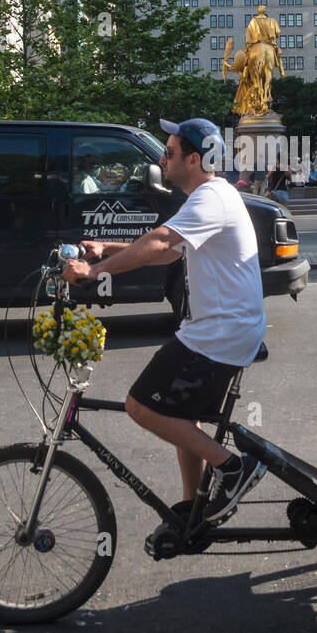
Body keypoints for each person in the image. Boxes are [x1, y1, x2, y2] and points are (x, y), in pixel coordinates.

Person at [62, 117, 267, 524]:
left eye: (169, 152)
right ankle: (193, 507)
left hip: (220, 334)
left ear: (193, 159)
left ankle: (233, 468)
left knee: (140, 406)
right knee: (180, 415)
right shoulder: (212, 196)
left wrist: (93, 273)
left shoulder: (211, 198)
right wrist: (105, 249)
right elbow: (168, 252)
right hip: (223, 329)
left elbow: (158, 241)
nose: (162, 158)